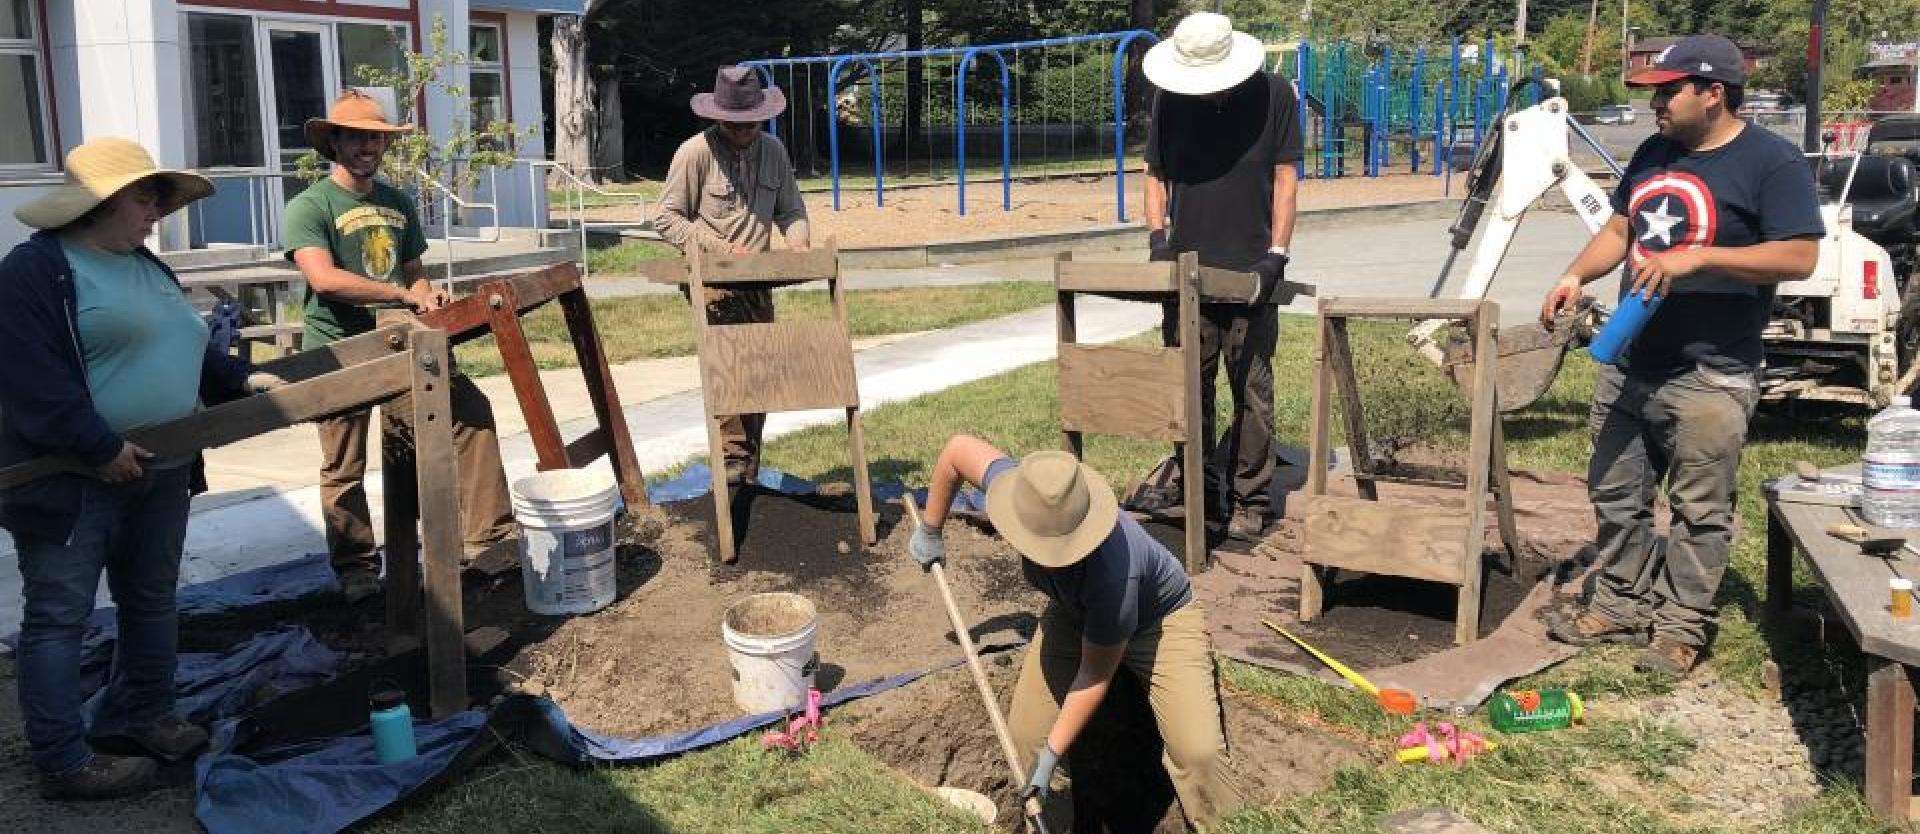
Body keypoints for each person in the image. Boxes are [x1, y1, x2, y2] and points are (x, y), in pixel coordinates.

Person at [1540, 34, 1822, 674]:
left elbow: (1800, 255)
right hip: (1632, 360)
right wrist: (1574, 276)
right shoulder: (1652, 154)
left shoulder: (1769, 163)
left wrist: (1702, 256)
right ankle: (1619, 604)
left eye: (1669, 92)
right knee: (1616, 494)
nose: (1656, 105)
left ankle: (1680, 630)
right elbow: (1620, 229)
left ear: (1714, 93)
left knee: (1699, 510)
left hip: (1711, 371)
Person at [0, 137, 255, 799]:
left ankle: (143, 714)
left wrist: (241, 385)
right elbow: (30, 378)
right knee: (59, 616)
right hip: (75, 482)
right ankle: (62, 760)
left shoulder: (148, 267)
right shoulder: (36, 272)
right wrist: (98, 445)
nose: (156, 212)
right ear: (101, 202)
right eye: (147, 197)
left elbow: (186, 346)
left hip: (162, 473)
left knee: (151, 600)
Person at [908, 434, 1243, 831]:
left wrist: (1054, 753)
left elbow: (1094, 673)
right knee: (1028, 736)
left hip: (1161, 622)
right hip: (1074, 614)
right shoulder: (1031, 491)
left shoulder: (1114, 573)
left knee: (1198, 750)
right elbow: (957, 451)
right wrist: (931, 528)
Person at [284, 90, 517, 602]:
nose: (370, 146)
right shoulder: (310, 206)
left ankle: (489, 539)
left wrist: (427, 294)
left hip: (401, 345)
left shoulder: (398, 202)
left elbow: (413, 273)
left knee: (468, 415)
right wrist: (397, 294)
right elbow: (322, 279)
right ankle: (357, 569)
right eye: (359, 137)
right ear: (335, 142)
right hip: (340, 348)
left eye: (377, 138)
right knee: (344, 465)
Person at [1134, 12, 1303, 541]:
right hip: (1186, 273)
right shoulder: (1169, 101)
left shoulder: (1275, 95)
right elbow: (1154, 175)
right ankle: (1198, 490)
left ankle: (1250, 497)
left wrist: (1276, 255)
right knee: (1189, 388)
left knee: (1252, 388)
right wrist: (1159, 242)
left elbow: (1285, 176)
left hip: (1252, 269)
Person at [652, 65, 811, 488]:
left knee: (760, 374)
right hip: (714, 286)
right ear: (717, 117)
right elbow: (666, 218)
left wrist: (799, 245)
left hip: (759, 280)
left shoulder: (774, 151)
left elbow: (792, 210)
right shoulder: (695, 153)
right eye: (733, 124)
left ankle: (749, 469)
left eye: (750, 123)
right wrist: (722, 250)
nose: (743, 131)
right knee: (731, 374)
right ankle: (730, 468)